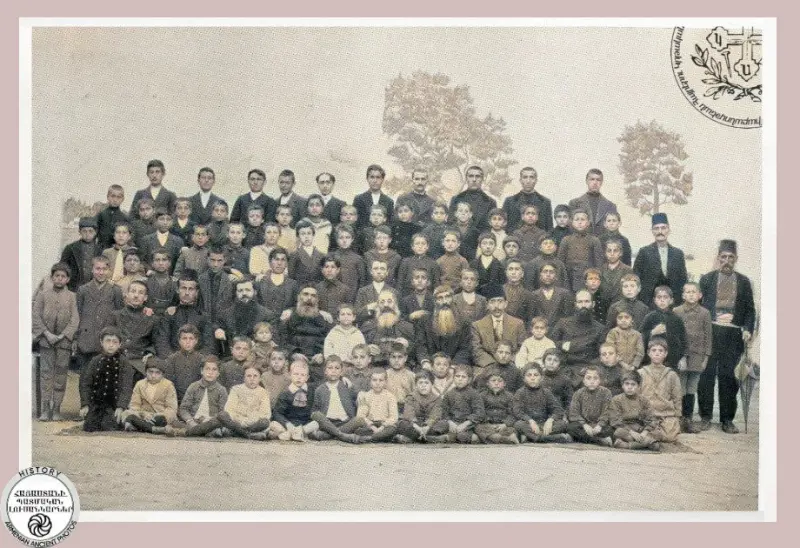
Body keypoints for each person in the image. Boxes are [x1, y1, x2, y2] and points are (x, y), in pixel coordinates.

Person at [697, 239, 756, 434]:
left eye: (731, 257)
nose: (727, 261)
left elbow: (750, 310)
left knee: (728, 377)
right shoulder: (707, 279)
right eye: (723, 257)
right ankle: (705, 417)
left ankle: (727, 419)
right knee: (706, 375)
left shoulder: (744, 281)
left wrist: (747, 328)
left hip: (732, 335)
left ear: (736, 259)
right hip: (711, 331)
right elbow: (699, 307)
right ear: (718, 258)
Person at [32, 263, 79, 421]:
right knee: (46, 374)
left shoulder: (72, 297)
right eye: (56, 276)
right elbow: (35, 316)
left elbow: (75, 319)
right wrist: (46, 333)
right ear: (52, 278)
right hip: (46, 341)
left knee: (60, 374)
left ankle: (57, 408)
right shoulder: (42, 295)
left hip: (64, 343)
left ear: (68, 279)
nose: (59, 279)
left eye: (63, 276)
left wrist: (63, 335)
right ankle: (45, 408)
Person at [673, 282, 713, 434]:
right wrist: (678, 356)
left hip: (698, 356)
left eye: (693, 292)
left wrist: (706, 358)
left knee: (692, 387)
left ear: (700, 295)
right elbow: (675, 336)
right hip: (682, 357)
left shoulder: (705, 313)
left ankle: (688, 418)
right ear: (683, 295)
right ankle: (680, 417)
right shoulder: (677, 311)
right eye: (687, 292)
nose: (690, 295)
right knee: (680, 386)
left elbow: (708, 336)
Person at [79, 327, 137, 432]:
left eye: (115, 342)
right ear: (101, 342)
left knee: (110, 426)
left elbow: (126, 387)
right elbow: (86, 384)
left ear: (120, 344)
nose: (111, 345)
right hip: (97, 405)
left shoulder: (124, 363)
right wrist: (85, 404)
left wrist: (121, 406)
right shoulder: (95, 361)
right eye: (108, 341)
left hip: (114, 406)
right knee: (90, 426)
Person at [75, 257, 124, 374]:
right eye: (97, 269)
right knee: (85, 377)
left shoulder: (115, 290)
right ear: (92, 270)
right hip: (86, 341)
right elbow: (78, 314)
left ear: (109, 271)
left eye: (104, 269)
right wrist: (76, 338)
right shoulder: (83, 290)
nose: (101, 272)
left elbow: (119, 315)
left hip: (106, 342)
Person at [550, 289, 607, 388]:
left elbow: (601, 354)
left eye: (586, 301)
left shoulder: (600, 328)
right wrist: (563, 345)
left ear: (593, 304)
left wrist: (589, 370)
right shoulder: (563, 323)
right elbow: (552, 344)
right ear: (575, 304)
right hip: (565, 368)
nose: (583, 305)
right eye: (580, 302)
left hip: (588, 369)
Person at [307, 356, 369, 443]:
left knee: (359, 420)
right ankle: (343, 436)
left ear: (341, 371)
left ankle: (329, 435)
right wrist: (317, 416)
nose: (333, 371)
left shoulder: (347, 386)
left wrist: (360, 392)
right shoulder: (319, 389)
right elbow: (314, 410)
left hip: (345, 422)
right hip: (327, 423)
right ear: (325, 371)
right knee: (316, 415)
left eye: (337, 368)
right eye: (330, 368)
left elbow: (358, 396)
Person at [470, 284, 526, 379]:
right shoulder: (477, 325)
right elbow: (476, 350)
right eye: (492, 302)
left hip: (511, 364)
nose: (496, 306)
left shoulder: (518, 324)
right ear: (487, 305)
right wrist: (493, 364)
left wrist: (507, 361)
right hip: (487, 366)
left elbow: (522, 347)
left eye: (500, 302)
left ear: (506, 304)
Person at [633, 212, 689, 308]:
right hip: (649, 302)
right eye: (656, 228)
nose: (660, 231)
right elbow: (636, 277)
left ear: (669, 230)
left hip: (673, 302)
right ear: (652, 231)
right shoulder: (644, 252)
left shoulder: (678, 253)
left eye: (663, 228)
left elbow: (683, 279)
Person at [279, 285, 333, 381]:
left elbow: (331, 342)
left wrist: (323, 354)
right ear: (299, 297)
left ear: (317, 300)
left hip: (318, 362)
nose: (309, 298)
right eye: (306, 294)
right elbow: (283, 339)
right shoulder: (288, 317)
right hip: (294, 359)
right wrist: (293, 353)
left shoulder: (325, 319)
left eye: (313, 296)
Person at [216, 278, 278, 356]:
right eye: (240, 291)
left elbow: (274, 339)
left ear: (255, 292)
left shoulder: (267, 315)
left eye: (248, 290)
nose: (244, 293)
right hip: (232, 357)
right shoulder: (225, 314)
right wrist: (218, 329)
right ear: (235, 293)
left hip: (258, 356)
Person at [415, 285, 472, 369]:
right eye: (440, 298)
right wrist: (425, 362)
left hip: (455, 365)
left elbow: (465, 348)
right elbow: (420, 345)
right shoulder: (425, 321)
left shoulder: (464, 322)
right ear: (435, 301)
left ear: (452, 299)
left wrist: (453, 366)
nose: (444, 301)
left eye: (447, 297)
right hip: (430, 365)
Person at [110, 280, 159, 377]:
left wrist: (150, 352)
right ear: (127, 294)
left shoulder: (152, 319)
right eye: (133, 291)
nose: (136, 295)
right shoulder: (116, 316)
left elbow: (156, 341)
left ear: (145, 298)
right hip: (117, 361)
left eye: (140, 293)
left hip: (139, 364)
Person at [512, 363, 571, 443]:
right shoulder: (520, 392)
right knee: (518, 425)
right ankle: (551, 438)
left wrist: (550, 420)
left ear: (541, 378)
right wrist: (530, 421)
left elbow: (557, 409)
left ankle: (532, 437)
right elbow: (518, 411)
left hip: (544, 423)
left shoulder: (546, 392)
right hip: (528, 424)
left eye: (536, 375)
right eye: (529, 375)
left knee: (563, 424)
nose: (532, 378)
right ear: (524, 378)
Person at [638, 337, 682, 443]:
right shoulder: (641, 373)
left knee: (670, 438)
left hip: (665, 414)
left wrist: (677, 416)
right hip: (646, 414)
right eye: (654, 350)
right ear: (648, 353)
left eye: (661, 351)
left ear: (665, 354)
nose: (657, 353)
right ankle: (652, 433)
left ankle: (654, 434)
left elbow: (677, 396)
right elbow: (636, 395)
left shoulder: (671, 374)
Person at [429, 365, 485, 444]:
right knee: (439, 425)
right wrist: (450, 422)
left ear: (469, 380)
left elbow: (479, 413)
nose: (460, 379)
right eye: (457, 376)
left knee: (463, 436)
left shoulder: (474, 394)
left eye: (463, 377)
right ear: (453, 378)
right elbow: (444, 411)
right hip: (452, 423)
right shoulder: (449, 394)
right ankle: (440, 436)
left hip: (467, 424)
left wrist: (465, 424)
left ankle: (446, 438)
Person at [176, 356, 229, 437]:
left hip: (210, 422)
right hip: (194, 421)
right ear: (201, 371)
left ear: (218, 373)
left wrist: (210, 420)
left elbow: (222, 412)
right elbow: (183, 409)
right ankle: (206, 432)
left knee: (219, 423)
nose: (210, 372)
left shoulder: (221, 390)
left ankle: (198, 432)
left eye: (214, 369)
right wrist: (190, 421)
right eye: (207, 369)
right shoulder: (193, 386)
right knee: (175, 422)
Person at [609, 370, 661, 451]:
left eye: (633, 384)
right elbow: (615, 420)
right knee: (618, 432)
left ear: (638, 387)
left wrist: (644, 433)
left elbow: (651, 419)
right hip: (625, 429)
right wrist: (632, 433)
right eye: (627, 384)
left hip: (640, 429)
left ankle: (626, 445)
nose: (630, 387)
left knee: (658, 434)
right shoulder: (617, 399)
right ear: (622, 385)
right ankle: (647, 443)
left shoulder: (644, 400)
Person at [361, 290, 415, 367]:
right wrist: (367, 349)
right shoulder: (369, 325)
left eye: (389, 301)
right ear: (378, 306)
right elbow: (360, 346)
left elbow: (418, 348)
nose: (386, 305)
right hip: (375, 369)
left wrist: (408, 345)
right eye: (382, 302)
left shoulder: (406, 326)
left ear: (395, 305)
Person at [122, 361, 179, 435]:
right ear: (146, 372)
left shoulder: (168, 385)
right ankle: (156, 429)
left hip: (160, 416)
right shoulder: (140, 384)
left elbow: (171, 408)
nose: (153, 375)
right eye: (150, 372)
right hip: (143, 416)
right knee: (127, 414)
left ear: (162, 374)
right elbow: (134, 405)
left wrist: (156, 415)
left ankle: (138, 425)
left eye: (157, 373)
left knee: (161, 419)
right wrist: (143, 414)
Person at [217, 365, 272, 440]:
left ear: (260, 378)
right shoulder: (236, 389)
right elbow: (229, 409)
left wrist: (250, 421)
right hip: (237, 421)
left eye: (255, 376)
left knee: (265, 422)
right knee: (222, 415)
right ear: (244, 378)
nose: (252, 379)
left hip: (253, 423)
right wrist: (241, 421)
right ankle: (248, 435)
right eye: (249, 376)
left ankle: (235, 432)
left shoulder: (263, 392)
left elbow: (265, 413)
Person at [640, 285, 688, 370]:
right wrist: (652, 332)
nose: (662, 300)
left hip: (672, 361)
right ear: (655, 300)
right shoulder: (649, 317)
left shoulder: (676, 319)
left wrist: (683, 358)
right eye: (659, 297)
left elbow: (683, 339)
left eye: (665, 297)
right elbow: (640, 336)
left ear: (671, 300)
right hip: (652, 360)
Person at [557, 208, 604, 292]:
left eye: (583, 219)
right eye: (577, 219)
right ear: (572, 222)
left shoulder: (594, 240)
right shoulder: (566, 240)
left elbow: (598, 265)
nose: (580, 222)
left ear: (588, 222)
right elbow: (560, 263)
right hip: (569, 279)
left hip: (587, 280)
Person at [271, 360, 319, 441]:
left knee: (316, 424)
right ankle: (294, 434)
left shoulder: (311, 391)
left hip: (305, 424)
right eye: (296, 374)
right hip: (289, 423)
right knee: (273, 424)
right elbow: (278, 413)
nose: (299, 377)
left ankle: (294, 434)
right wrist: (288, 424)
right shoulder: (285, 393)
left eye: (303, 375)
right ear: (290, 375)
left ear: (307, 378)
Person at [567, 365, 614, 446]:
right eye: (588, 378)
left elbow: (607, 411)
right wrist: (584, 425)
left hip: (599, 425)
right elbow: (574, 413)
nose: (592, 381)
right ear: (584, 380)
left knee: (611, 430)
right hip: (584, 425)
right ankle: (599, 441)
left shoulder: (606, 392)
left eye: (595, 378)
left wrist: (599, 425)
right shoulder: (578, 393)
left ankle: (583, 438)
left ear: (600, 380)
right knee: (571, 428)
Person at [395, 370, 445, 443]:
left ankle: (411, 439)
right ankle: (431, 439)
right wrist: (417, 427)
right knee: (401, 424)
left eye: (426, 383)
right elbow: (409, 414)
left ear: (432, 385)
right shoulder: (411, 397)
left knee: (444, 424)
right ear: (416, 385)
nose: (423, 385)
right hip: (414, 425)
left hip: (429, 426)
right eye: (420, 383)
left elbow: (435, 415)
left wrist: (427, 427)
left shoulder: (437, 399)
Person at [160, 324, 206, 402]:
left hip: (196, 400)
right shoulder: (172, 359)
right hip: (176, 399)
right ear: (179, 340)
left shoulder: (201, 359)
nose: (188, 342)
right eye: (184, 338)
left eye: (191, 339)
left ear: (196, 341)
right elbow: (168, 383)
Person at [502, 167, 553, 233]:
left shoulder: (545, 202)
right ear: (520, 180)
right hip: (515, 241)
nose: (528, 181)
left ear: (536, 180)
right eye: (525, 177)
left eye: (531, 177)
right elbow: (504, 227)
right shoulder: (509, 201)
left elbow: (549, 229)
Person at [568, 168, 618, 235]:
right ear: (586, 181)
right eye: (592, 179)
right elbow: (570, 230)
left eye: (598, 180)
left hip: (602, 244)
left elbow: (614, 231)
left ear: (602, 182)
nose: (595, 182)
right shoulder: (574, 203)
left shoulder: (610, 206)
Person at [354, 368, 399, 442]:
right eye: (374, 380)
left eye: (381, 380)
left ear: (385, 382)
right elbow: (361, 415)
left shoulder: (390, 397)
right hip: (371, 425)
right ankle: (380, 438)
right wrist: (372, 427)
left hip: (384, 425)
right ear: (370, 381)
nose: (377, 383)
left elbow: (394, 417)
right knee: (358, 430)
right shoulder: (365, 396)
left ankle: (371, 438)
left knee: (393, 429)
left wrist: (382, 427)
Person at [449, 165, 497, 232]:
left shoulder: (490, 202)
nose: (474, 179)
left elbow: (490, 227)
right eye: (471, 176)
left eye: (477, 176)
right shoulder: (456, 199)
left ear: (482, 179)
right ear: (466, 179)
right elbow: (451, 224)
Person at [475, 372, 519, 444]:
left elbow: (513, 414)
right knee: (478, 427)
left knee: (513, 429)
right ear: (487, 383)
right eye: (493, 381)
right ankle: (506, 439)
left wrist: (505, 424)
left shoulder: (509, 396)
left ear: (504, 384)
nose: (496, 383)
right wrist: (488, 423)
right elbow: (480, 412)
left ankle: (495, 438)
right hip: (488, 425)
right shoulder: (482, 396)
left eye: (500, 381)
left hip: (503, 426)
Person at [60, 216, 102, 290]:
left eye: (90, 231)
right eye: (84, 231)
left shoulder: (100, 250)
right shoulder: (70, 248)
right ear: (79, 232)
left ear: (95, 232)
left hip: (94, 288)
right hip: (74, 288)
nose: (87, 234)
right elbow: (62, 267)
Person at [256, 248, 300, 316]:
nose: (279, 263)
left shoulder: (293, 284)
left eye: (283, 260)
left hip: (285, 322)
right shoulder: (260, 282)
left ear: (287, 263)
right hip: (264, 322)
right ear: (270, 262)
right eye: (276, 259)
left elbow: (297, 305)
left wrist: (290, 311)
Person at [530, 261, 575, 328]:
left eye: (551, 272)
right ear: (540, 275)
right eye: (545, 271)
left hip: (559, 334)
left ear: (556, 276)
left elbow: (568, 318)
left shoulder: (564, 294)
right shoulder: (533, 295)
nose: (548, 274)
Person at [140, 209, 184, 275]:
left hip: (171, 278)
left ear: (172, 222)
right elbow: (142, 259)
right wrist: (148, 270)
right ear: (156, 221)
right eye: (161, 219)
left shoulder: (178, 241)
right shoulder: (146, 239)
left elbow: (180, 262)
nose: (165, 222)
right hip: (150, 277)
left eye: (168, 219)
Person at [354, 260, 397, 324]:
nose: (379, 272)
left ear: (387, 272)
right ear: (371, 271)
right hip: (367, 330)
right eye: (375, 268)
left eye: (382, 269)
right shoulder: (362, 291)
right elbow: (355, 315)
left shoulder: (394, 292)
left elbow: (398, 315)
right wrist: (368, 307)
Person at [353, 164, 395, 229]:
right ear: (367, 179)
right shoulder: (359, 199)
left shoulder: (389, 201)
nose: (375, 181)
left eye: (378, 177)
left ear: (382, 179)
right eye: (372, 177)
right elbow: (356, 222)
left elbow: (390, 223)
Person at [288, 220, 325, 286]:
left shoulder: (321, 255)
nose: (306, 236)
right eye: (303, 234)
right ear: (298, 236)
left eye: (309, 233)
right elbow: (291, 277)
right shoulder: (294, 255)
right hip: (300, 289)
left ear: (313, 235)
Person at [332, 224, 366, 290]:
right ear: (336, 239)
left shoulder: (358, 259)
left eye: (347, 237)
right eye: (341, 237)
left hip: (352, 295)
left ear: (352, 239)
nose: (344, 240)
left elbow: (362, 282)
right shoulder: (332, 257)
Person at [599, 238, 632, 307]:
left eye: (615, 251)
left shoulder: (628, 270)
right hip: (603, 307)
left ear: (621, 253)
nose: (612, 254)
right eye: (609, 251)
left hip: (622, 307)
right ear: (605, 253)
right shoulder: (600, 270)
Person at [503, 259, 536, 326]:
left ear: (522, 274)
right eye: (510, 269)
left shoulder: (528, 295)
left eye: (517, 269)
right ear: (506, 272)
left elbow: (530, 320)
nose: (513, 272)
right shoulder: (498, 291)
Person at [539, 348, 573, 412]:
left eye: (555, 360)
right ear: (544, 361)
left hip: (557, 412)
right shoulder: (538, 377)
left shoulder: (565, 380)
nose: (551, 363)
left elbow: (569, 401)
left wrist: (565, 414)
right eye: (549, 359)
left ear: (559, 364)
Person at [96, 184, 129, 250]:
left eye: (118, 197)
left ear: (123, 199)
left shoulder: (125, 218)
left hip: (118, 250)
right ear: (108, 197)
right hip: (102, 250)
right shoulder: (101, 215)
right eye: (113, 196)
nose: (115, 200)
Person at [386, 343, 416, 412]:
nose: (396, 360)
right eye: (393, 357)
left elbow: (415, 395)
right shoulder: (385, 375)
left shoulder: (411, 376)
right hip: (388, 408)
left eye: (400, 357)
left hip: (406, 408)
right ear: (389, 358)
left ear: (405, 358)